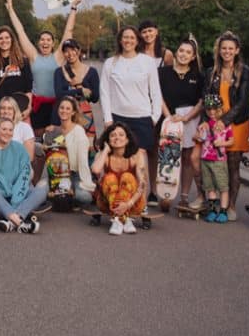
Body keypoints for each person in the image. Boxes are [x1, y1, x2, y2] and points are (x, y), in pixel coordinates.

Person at [99, 26, 161, 205]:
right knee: (120, 162)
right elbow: (104, 92)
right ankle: (118, 201)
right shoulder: (111, 63)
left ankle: (140, 202)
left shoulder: (146, 62)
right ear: (120, 40)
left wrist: (154, 117)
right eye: (125, 37)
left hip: (142, 118)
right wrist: (108, 118)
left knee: (139, 163)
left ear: (137, 40)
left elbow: (155, 92)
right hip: (118, 118)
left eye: (132, 38)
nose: (128, 41)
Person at [5, 0, 81, 133]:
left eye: (48, 40)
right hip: (37, 105)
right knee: (38, 140)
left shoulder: (58, 57)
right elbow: (20, 31)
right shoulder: (34, 56)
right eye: (42, 39)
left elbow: (68, 31)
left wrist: (74, 7)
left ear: (53, 44)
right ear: (38, 43)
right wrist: (10, 9)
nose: (45, 42)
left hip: (56, 106)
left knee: (55, 140)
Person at [203, 31, 249, 220]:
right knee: (212, 163)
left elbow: (241, 101)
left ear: (237, 50)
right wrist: (209, 122)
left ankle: (230, 205)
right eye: (224, 48)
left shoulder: (244, 71)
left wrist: (225, 121)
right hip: (214, 123)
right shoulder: (211, 72)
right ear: (219, 50)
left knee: (232, 164)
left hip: (237, 123)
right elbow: (206, 98)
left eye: (231, 48)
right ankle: (213, 203)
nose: (227, 51)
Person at [0, 119, 45, 233]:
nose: (7, 132)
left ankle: (12, 222)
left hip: (15, 195)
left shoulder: (19, 148)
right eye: (4, 129)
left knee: (41, 191)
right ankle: (20, 223)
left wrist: (16, 199)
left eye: (10, 130)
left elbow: (25, 174)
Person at [157, 37, 206, 208]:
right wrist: (168, 116)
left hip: (190, 118)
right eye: (181, 51)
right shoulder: (162, 72)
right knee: (168, 156)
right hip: (168, 119)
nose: (184, 54)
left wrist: (186, 118)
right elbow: (158, 96)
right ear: (176, 52)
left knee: (187, 158)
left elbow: (202, 101)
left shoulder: (199, 76)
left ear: (193, 57)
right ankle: (165, 193)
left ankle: (184, 196)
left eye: (188, 52)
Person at [90, 122, 148, 235]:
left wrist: (129, 204)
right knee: (109, 178)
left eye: (121, 135)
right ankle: (123, 219)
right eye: (113, 135)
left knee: (128, 177)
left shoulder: (136, 155)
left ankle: (119, 219)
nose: (117, 138)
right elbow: (96, 170)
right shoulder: (103, 155)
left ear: (127, 139)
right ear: (108, 140)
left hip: (133, 203)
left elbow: (142, 183)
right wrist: (106, 150)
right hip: (107, 204)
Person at [45, 97, 96, 206]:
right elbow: (50, 150)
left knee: (84, 197)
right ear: (58, 110)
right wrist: (48, 133)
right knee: (43, 192)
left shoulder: (78, 131)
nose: (64, 111)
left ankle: (69, 194)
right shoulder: (55, 130)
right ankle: (64, 197)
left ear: (73, 112)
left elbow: (83, 160)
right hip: (57, 174)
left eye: (68, 109)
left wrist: (86, 183)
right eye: (62, 108)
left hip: (75, 174)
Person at [52, 38, 100, 145]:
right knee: (62, 145)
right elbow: (59, 94)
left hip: (85, 117)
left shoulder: (92, 72)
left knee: (88, 145)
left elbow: (95, 97)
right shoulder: (59, 72)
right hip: (64, 115)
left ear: (78, 51)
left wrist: (83, 87)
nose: (70, 54)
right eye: (66, 51)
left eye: (73, 49)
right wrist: (81, 90)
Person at [0, 26, 34, 122]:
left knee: (23, 136)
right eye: (0, 38)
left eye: (7, 37)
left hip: (20, 110)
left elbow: (28, 88)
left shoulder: (23, 61)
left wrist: (28, 107)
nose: (4, 41)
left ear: (12, 40)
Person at [196, 95, 234, 223]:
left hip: (219, 160)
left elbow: (231, 140)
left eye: (215, 109)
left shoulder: (225, 125)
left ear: (220, 109)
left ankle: (223, 211)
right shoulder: (205, 125)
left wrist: (221, 144)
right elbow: (198, 138)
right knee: (209, 186)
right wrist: (199, 133)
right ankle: (212, 210)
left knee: (223, 186)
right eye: (209, 110)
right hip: (205, 159)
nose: (212, 112)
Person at [0, 96, 35, 161]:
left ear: (15, 111)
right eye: (3, 108)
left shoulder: (25, 128)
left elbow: (29, 157)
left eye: (9, 108)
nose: (6, 111)